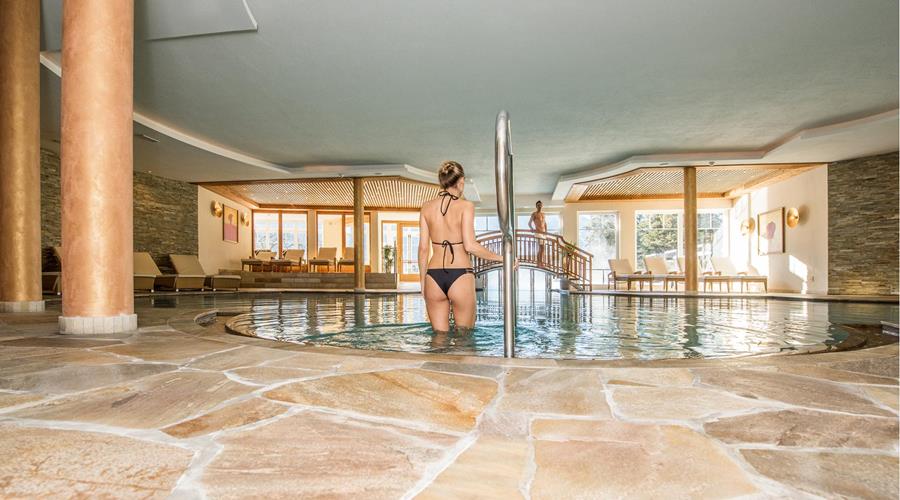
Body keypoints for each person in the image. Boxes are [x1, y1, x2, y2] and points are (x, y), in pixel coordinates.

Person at [418, 161, 504, 332]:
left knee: (439, 340)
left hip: (433, 277)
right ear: (461, 181)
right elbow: (470, 245)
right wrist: (503, 258)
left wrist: (422, 283)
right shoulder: (466, 206)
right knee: (465, 337)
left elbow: (423, 249)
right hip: (460, 274)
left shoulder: (426, 207)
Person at [528, 200, 548, 266]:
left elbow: (545, 223)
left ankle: (540, 262)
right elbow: (529, 223)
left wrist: (546, 232)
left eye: (540, 205)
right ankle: (539, 263)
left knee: (542, 248)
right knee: (541, 248)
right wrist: (532, 229)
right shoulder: (534, 214)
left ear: (542, 206)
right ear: (536, 206)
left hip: (543, 233)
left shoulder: (543, 214)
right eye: (538, 205)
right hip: (538, 233)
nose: (539, 206)